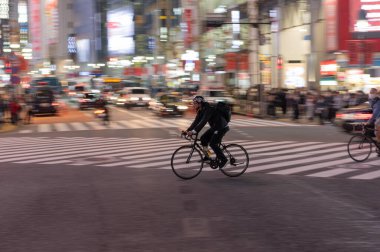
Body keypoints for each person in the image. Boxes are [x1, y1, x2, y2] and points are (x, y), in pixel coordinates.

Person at [184, 96, 229, 169]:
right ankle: (208, 156)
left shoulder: (208, 109)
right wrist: (187, 130)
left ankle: (224, 160)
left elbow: (203, 122)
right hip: (215, 127)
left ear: (200, 103)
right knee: (203, 138)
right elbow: (196, 122)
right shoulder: (201, 110)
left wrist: (194, 131)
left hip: (222, 127)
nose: (193, 105)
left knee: (213, 143)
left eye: (195, 103)